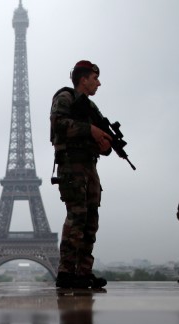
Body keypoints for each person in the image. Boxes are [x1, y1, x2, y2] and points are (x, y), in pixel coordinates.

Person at [49, 60, 114, 290]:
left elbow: (98, 139)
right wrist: (92, 130)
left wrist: (105, 144)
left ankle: (83, 271)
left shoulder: (90, 108)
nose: (98, 83)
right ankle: (66, 272)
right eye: (95, 78)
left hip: (89, 166)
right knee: (77, 217)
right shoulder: (65, 98)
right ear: (83, 79)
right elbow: (58, 125)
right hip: (71, 166)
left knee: (90, 220)